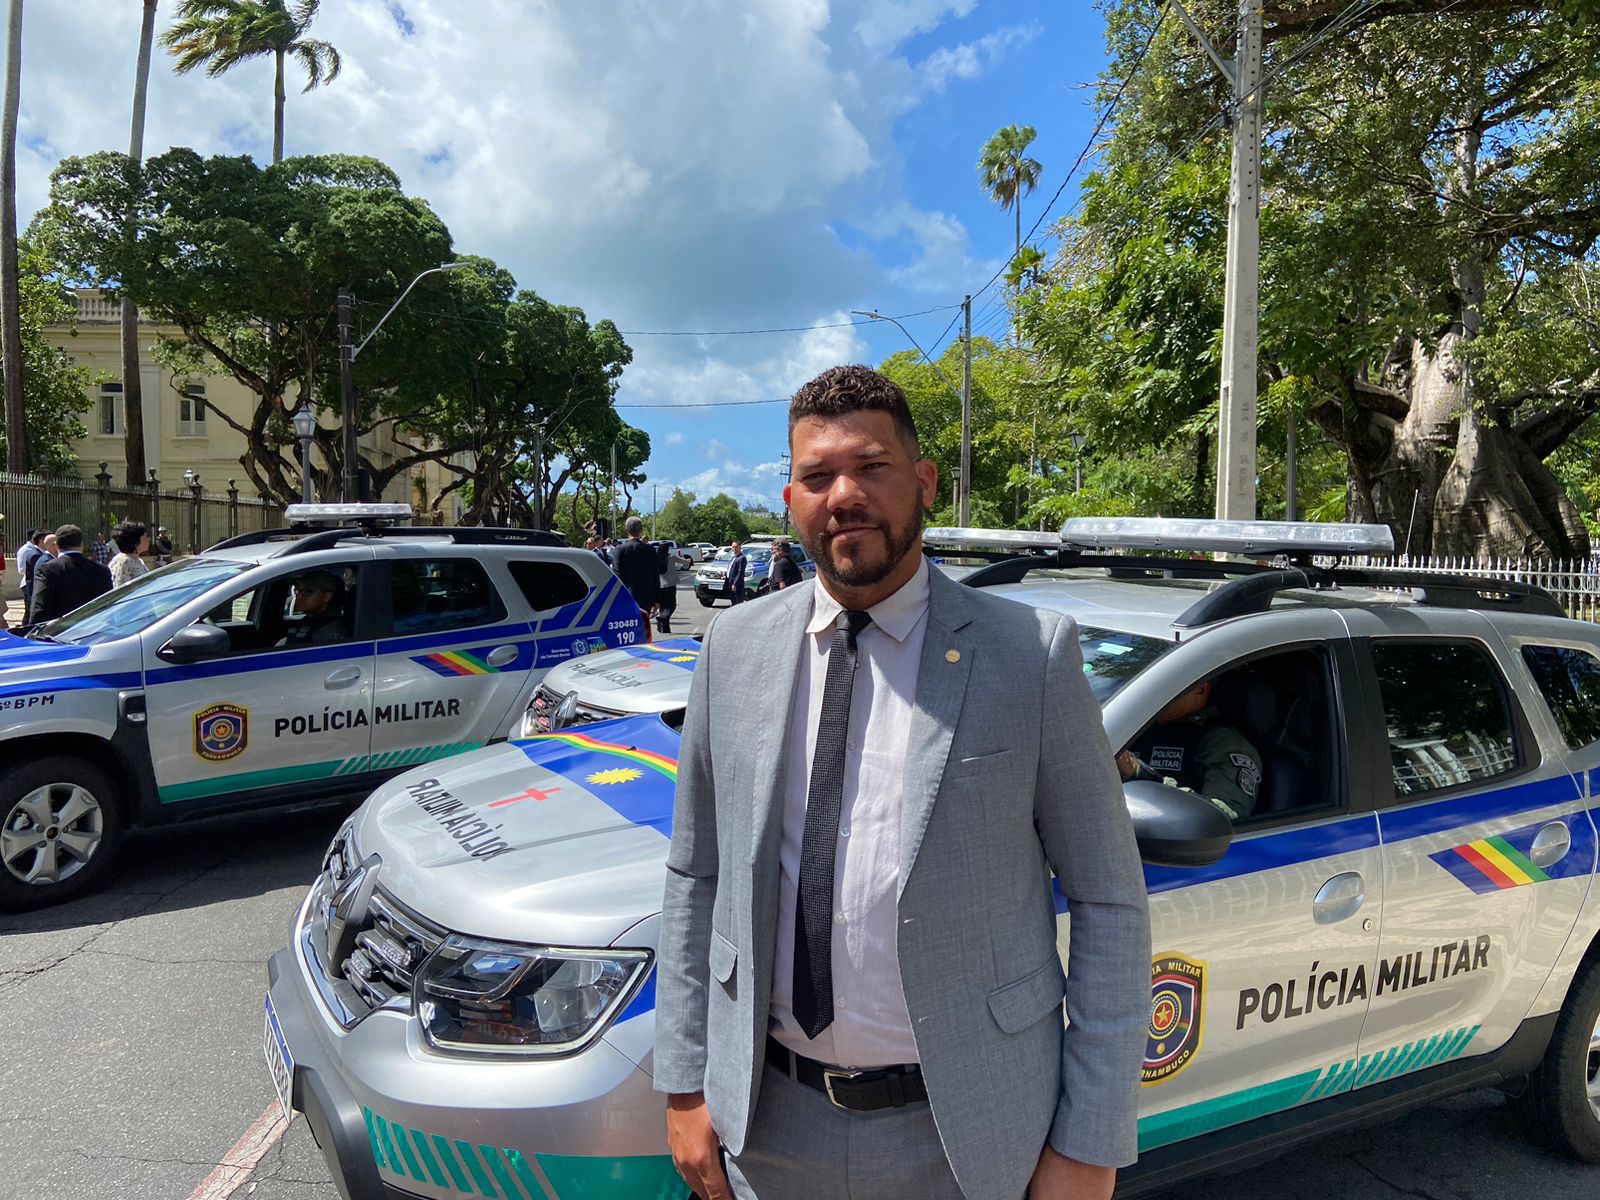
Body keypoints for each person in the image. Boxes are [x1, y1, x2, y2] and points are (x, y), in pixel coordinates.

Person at [657, 365, 1149, 1200]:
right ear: (790, 499)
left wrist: (1091, 1141)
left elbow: (1108, 898)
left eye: (871, 468)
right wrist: (684, 1079)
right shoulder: (731, 650)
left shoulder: (1030, 655)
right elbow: (696, 876)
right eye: (817, 477)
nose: (844, 494)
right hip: (768, 1124)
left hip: (968, 1132)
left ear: (922, 482)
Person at [1117, 676, 1263, 821]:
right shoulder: (1133, 726)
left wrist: (1140, 774)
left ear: (1200, 690)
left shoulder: (1223, 743)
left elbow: (1221, 820)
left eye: (1163, 687)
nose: (1150, 694)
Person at [29, 525, 113, 624]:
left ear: (56, 545)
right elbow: (108, 607)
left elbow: (39, 609)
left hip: (58, 632)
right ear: (81, 544)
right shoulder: (102, 571)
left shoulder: (48, 569)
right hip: (93, 631)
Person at [615, 517, 660, 643]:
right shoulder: (649, 550)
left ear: (626, 530)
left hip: (627, 596)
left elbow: (617, 575)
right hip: (647, 597)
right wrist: (657, 599)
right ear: (641, 531)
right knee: (644, 628)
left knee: (628, 629)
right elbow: (655, 575)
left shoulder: (620, 550)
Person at [276, 571, 347, 645]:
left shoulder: (330, 631)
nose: (298, 596)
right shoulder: (306, 621)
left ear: (326, 597)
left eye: (307, 591)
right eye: (297, 591)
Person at [109, 522, 151, 588]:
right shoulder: (124, 561)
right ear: (135, 542)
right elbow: (120, 588)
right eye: (145, 537)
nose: (148, 539)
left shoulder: (138, 560)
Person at [655, 541, 685, 634]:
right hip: (670, 585)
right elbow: (684, 563)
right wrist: (688, 562)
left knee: (662, 607)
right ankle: (663, 619)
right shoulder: (671, 557)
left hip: (658, 585)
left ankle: (665, 629)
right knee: (671, 606)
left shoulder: (655, 559)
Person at [17, 529, 44, 619]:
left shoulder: (36, 549)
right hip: (28, 582)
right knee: (29, 611)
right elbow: (21, 569)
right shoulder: (26, 550)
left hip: (34, 580)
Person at [726, 540, 748, 605]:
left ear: (740, 548)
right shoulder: (733, 557)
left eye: (736, 547)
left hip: (737, 585)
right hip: (730, 582)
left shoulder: (742, 558)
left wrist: (735, 584)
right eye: (733, 547)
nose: (734, 549)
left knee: (738, 603)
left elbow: (740, 572)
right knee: (733, 602)